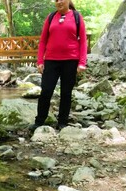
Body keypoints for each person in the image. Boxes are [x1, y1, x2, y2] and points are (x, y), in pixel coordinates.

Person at [29, 0, 87, 131]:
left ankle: (62, 122)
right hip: (51, 60)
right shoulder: (50, 17)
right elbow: (43, 41)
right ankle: (39, 121)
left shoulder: (77, 17)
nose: (59, 2)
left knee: (66, 93)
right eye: (56, 0)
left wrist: (82, 63)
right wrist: (40, 61)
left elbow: (83, 41)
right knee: (46, 91)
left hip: (71, 60)